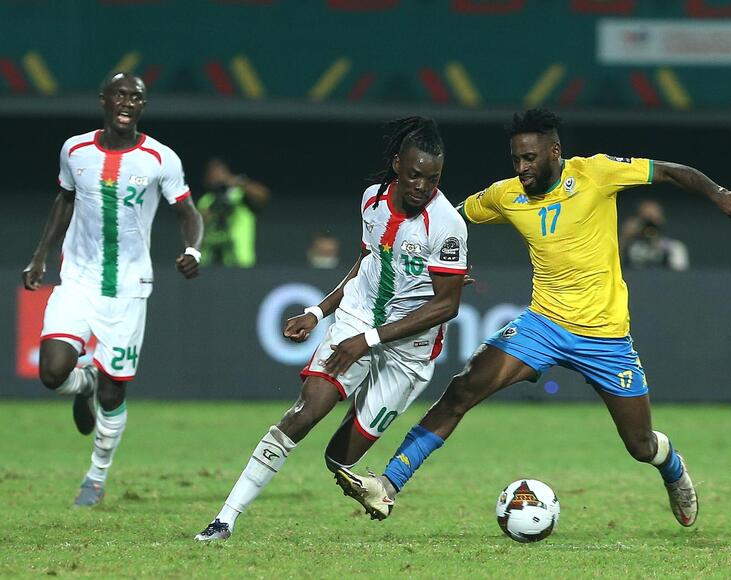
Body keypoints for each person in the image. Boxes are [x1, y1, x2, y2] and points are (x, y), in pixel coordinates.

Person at [335, 108, 731, 528]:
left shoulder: (597, 173)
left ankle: (673, 469)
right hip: (543, 325)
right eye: (516, 159)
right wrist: (436, 260)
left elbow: (667, 171)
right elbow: (450, 219)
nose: (521, 168)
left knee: (641, 445)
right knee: (462, 390)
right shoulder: (506, 194)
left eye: (530, 158)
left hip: (605, 337)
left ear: (555, 151)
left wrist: (718, 193)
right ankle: (388, 486)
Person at [195, 117, 468, 541]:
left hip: (409, 351)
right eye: (414, 175)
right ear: (397, 165)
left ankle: (362, 476)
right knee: (306, 411)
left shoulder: (447, 224)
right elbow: (365, 264)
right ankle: (225, 519)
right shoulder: (372, 200)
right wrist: (318, 312)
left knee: (337, 458)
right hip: (358, 320)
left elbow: (447, 304)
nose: (421, 186)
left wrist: (370, 341)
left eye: (432, 179)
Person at [21, 72, 203, 507]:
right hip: (78, 279)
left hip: (128, 288)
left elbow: (189, 212)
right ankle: (81, 384)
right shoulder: (75, 149)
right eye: (119, 95)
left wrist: (193, 250)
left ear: (142, 105)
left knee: (114, 391)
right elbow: (64, 200)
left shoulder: (161, 158)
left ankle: (96, 477)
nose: (127, 102)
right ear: (103, 99)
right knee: (52, 372)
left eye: (136, 97)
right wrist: (41, 254)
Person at [196, 157, 270, 268]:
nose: (217, 179)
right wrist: (214, 209)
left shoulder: (241, 196)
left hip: (239, 262)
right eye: (213, 176)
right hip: (209, 263)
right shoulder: (205, 201)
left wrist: (238, 182)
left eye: (220, 175)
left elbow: (263, 196)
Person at [620, 200, 689, 271]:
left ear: (662, 220)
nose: (650, 225)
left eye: (654, 219)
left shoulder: (674, 247)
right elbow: (614, 267)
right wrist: (625, 237)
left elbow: (680, 276)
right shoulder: (630, 247)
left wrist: (655, 243)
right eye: (646, 219)